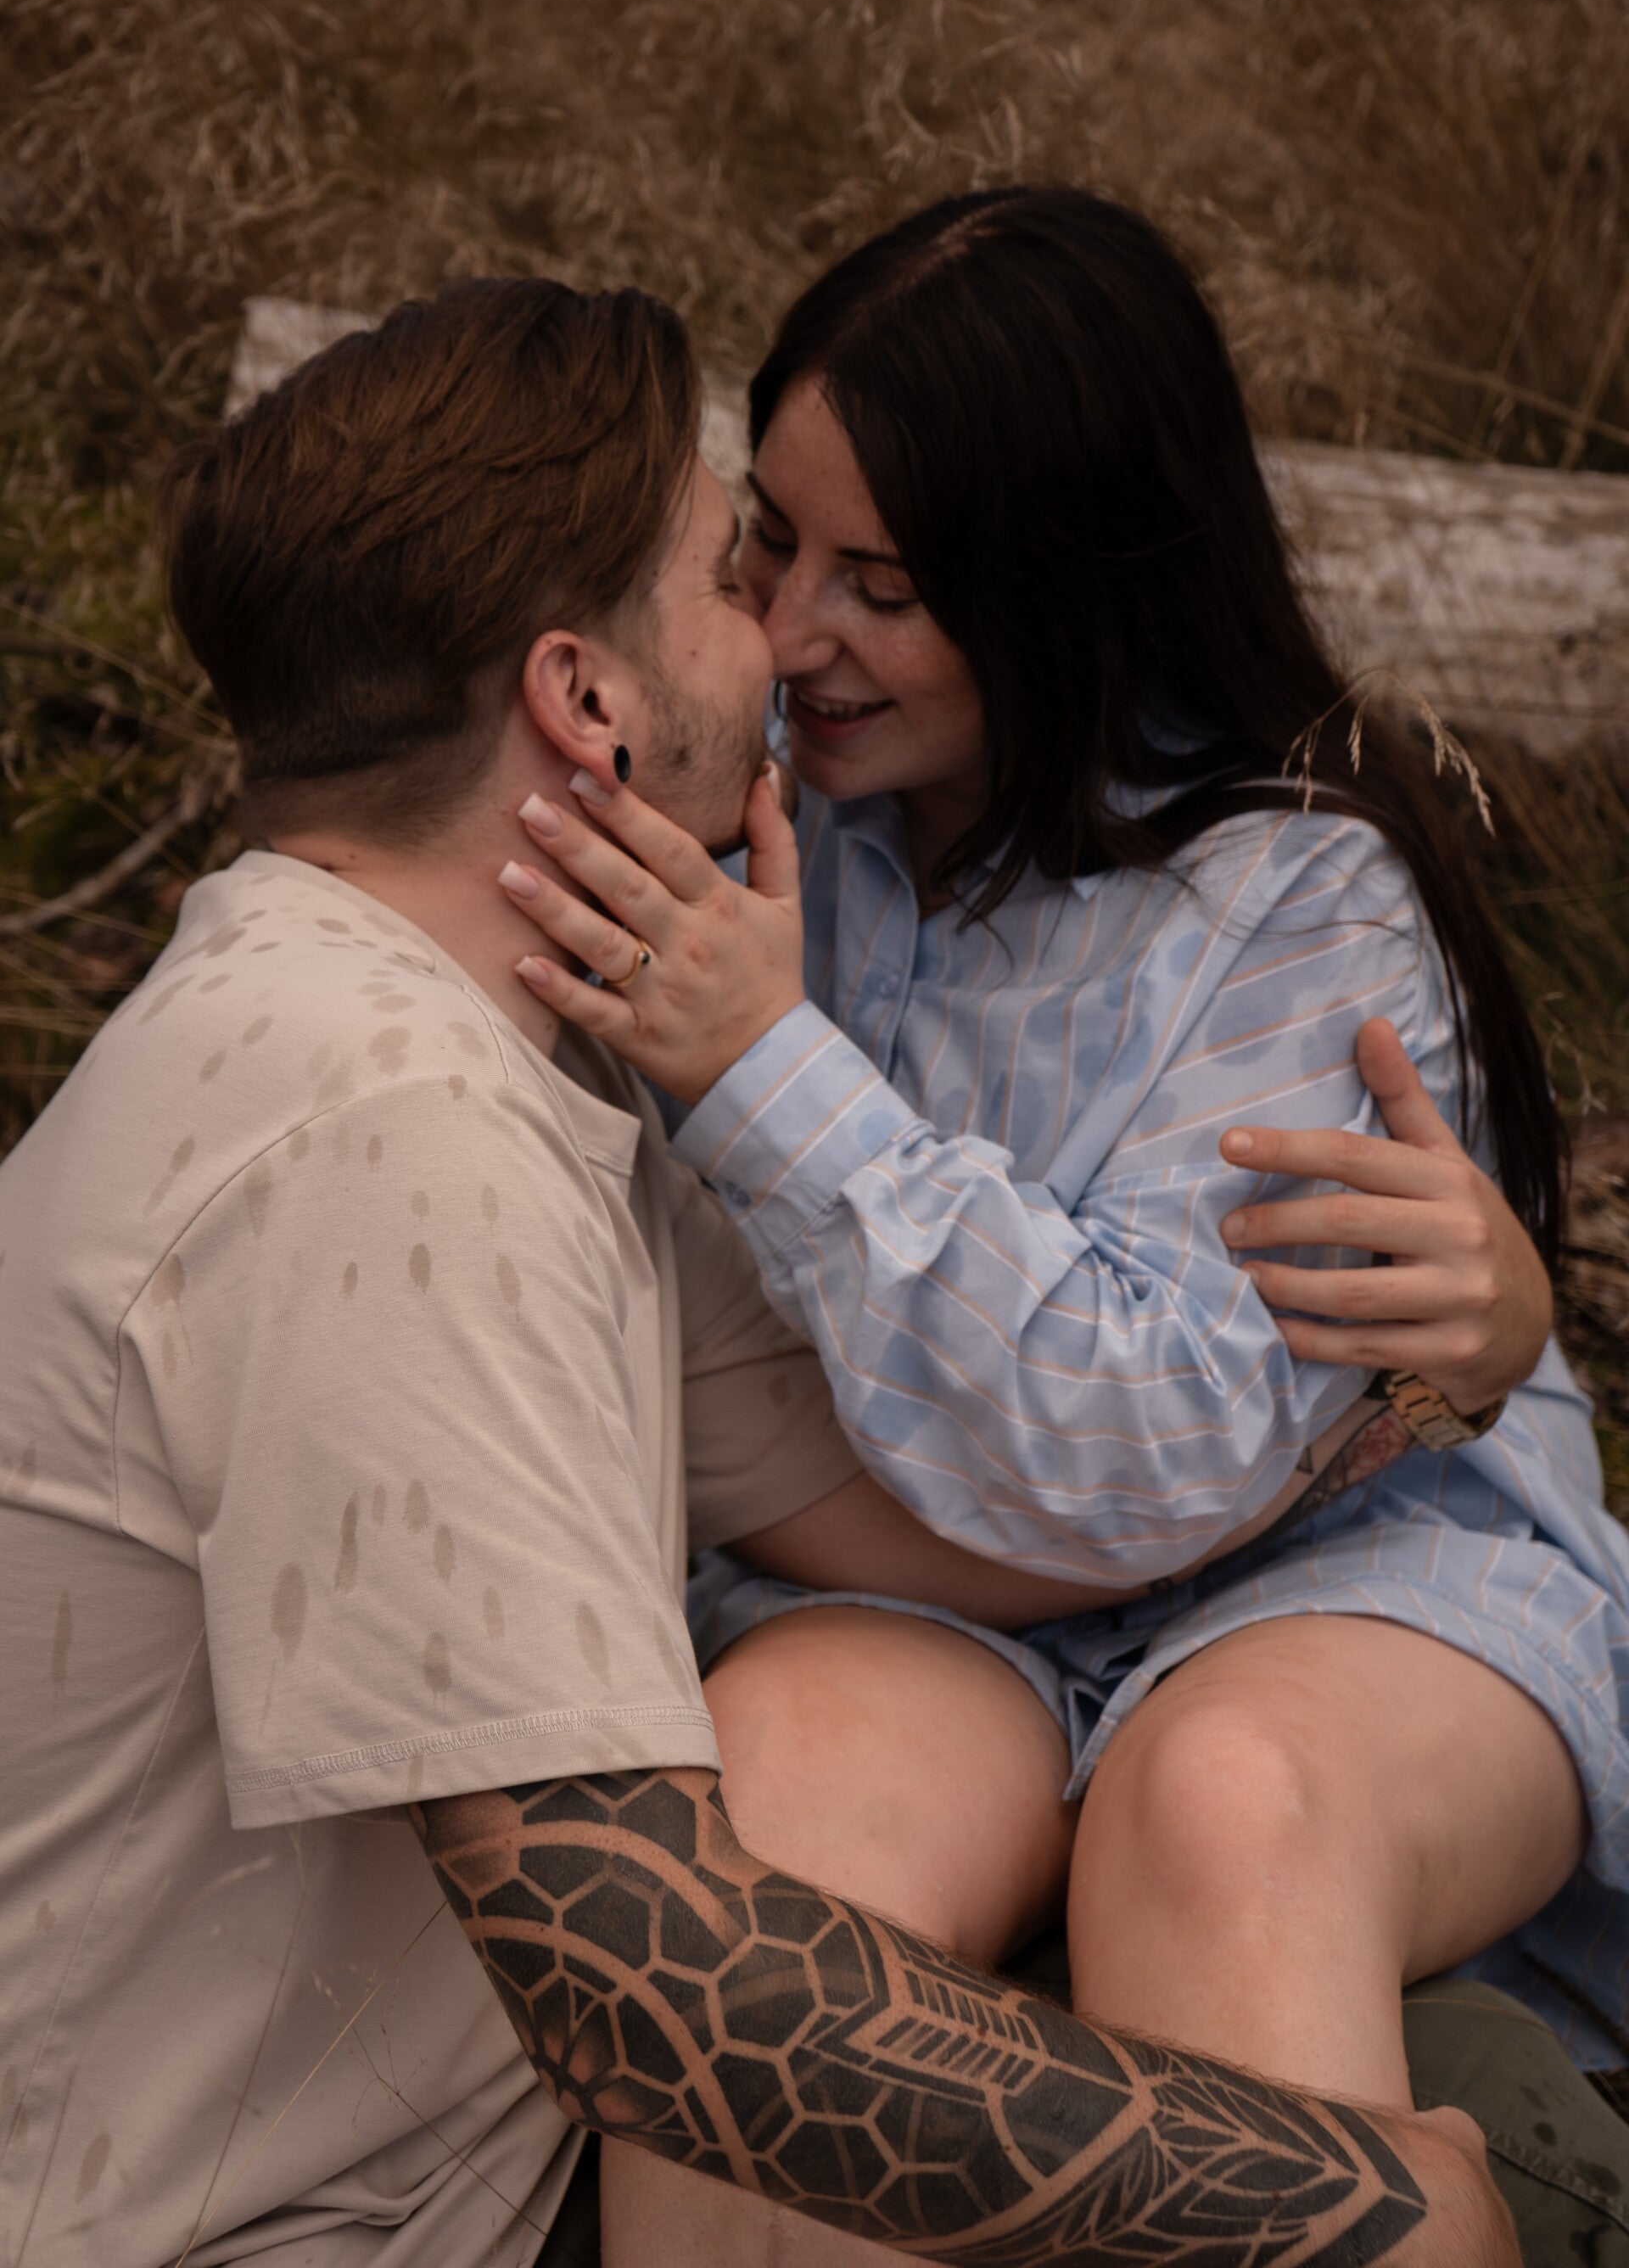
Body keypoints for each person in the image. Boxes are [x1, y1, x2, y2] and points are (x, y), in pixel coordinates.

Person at [0, 273, 1522, 2268]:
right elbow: (659, 1997)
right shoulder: (379, 1122)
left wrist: (1433, 1386)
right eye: (734, 571)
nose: (787, 640)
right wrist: (1343, 2205)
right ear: (588, 702)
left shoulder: (512, 1070)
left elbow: (906, 1517)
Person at [493, 189, 1629, 2265]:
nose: (799, 634)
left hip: (1338, 1580)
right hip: (913, 1589)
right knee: (765, 1846)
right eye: (774, 547)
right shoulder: (757, 816)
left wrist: (772, 1076)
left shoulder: (1304, 891)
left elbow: (1156, 1451)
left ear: (1074, 588)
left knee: (1225, 1805)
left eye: (886, 587)